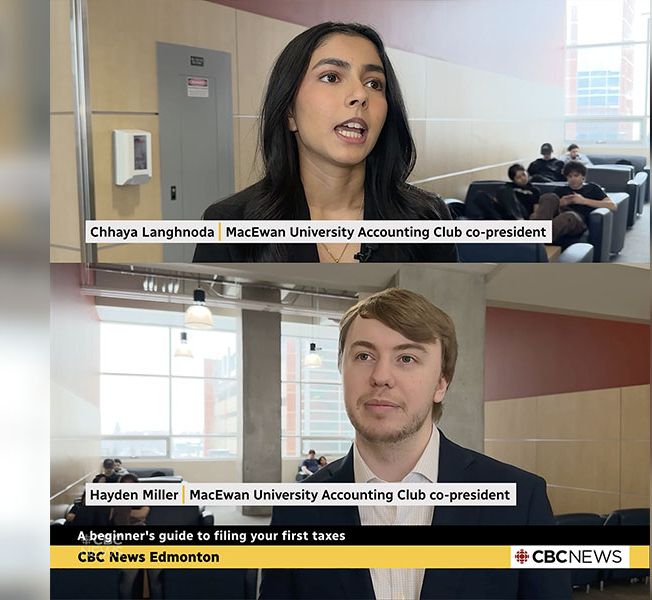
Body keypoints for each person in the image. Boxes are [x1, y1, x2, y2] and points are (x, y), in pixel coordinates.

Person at [260, 288, 570, 600]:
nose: (381, 376)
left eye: (406, 358)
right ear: (342, 371)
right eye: (364, 356)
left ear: (440, 383)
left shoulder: (521, 502)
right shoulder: (296, 509)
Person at [194, 22, 458, 263]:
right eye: (331, 77)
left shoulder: (428, 218)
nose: (359, 95)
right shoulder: (228, 224)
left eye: (374, 83)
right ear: (289, 112)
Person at [529, 161, 617, 242]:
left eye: (576, 175)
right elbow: (543, 209)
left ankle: (533, 236)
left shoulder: (592, 188)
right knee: (549, 197)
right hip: (558, 215)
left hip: (578, 220)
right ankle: (536, 234)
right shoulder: (560, 190)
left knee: (569, 216)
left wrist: (584, 201)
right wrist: (560, 203)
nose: (573, 179)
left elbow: (612, 206)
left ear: (583, 176)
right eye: (570, 176)